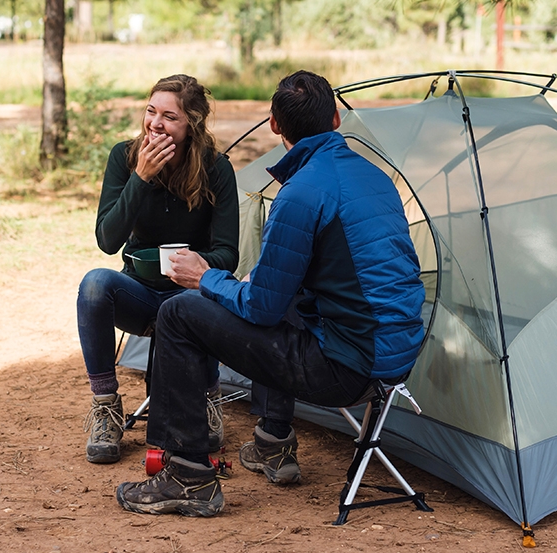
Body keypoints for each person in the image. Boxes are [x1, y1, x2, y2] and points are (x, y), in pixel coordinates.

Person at [114, 70, 425, 517]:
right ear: (337, 118)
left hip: (347, 369)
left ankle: (187, 477)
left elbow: (261, 307)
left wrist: (205, 277)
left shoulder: (301, 192)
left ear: (275, 125)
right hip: (399, 354)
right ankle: (271, 441)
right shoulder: (375, 177)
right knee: (294, 296)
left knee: (181, 312)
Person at [76, 74, 239, 465]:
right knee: (94, 284)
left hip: (189, 296)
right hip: (141, 293)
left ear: (191, 126)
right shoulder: (124, 157)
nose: (155, 124)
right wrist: (141, 178)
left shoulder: (216, 169)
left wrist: (198, 266)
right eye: (151, 112)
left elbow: (228, 255)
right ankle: (106, 407)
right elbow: (107, 240)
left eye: (170, 117)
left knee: (202, 293)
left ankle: (206, 395)